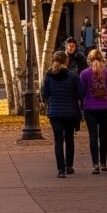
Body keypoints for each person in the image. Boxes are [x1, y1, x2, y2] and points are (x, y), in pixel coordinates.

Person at [78, 48, 107, 174]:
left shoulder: (84, 74)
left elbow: (81, 94)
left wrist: (81, 109)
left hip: (90, 108)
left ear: (89, 60)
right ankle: (103, 163)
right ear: (102, 59)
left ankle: (95, 165)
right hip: (106, 107)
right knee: (103, 136)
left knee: (93, 136)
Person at [40, 50, 84, 178]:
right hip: (70, 112)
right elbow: (80, 93)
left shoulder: (49, 75)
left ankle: (60, 169)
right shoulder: (73, 76)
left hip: (55, 112)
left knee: (58, 140)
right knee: (69, 139)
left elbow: (45, 93)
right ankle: (69, 165)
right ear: (67, 61)